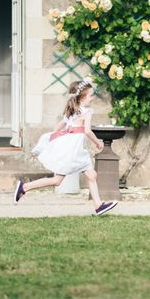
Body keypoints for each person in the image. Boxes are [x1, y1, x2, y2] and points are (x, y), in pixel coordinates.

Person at [13, 79, 118, 216]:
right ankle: (24, 187)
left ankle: (98, 206)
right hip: (74, 151)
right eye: (91, 95)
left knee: (90, 175)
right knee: (58, 180)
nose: (93, 98)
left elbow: (60, 126)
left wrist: (53, 138)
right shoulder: (86, 112)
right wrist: (97, 142)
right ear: (82, 97)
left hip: (74, 149)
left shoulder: (72, 109)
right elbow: (87, 130)